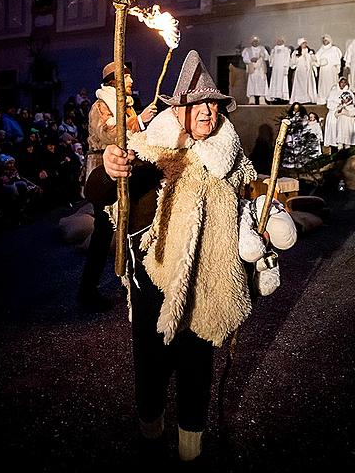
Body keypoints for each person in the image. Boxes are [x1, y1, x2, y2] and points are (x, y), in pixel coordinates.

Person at [85, 50, 260, 464]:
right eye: (197, 103)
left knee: (197, 370)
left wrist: (263, 225)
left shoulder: (229, 158)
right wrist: (109, 171)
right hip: (154, 288)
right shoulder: (152, 151)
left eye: (213, 103)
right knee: (151, 368)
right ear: (178, 108)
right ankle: (150, 440)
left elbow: (249, 202)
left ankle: (190, 450)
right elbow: (99, 192)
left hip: (207, 286)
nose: (207, 111)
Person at [78, 61, 157, 312]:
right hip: (104, 177)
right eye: (127, 76)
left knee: (129, 226)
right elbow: (110, 135)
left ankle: (128, 280)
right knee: (102, 233)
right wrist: (140, 121)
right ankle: (87, 291)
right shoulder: (101, 105)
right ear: (114, 81)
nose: (132, 80)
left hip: (126, 173)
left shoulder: (127, 105)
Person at [323, 77, 352, 152]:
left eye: (344, 82)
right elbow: (329, 104)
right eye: (341, 82)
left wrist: (344, 106)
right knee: (333, 133)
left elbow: (352, 102)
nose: (343, 84)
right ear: (339, 83)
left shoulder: (349, 92)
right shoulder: (333, 91)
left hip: (344, 115)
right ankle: (334, 151)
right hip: (333, 114)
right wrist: (338, 105)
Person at [315, 34, 342, 105]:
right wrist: (319, 63)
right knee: (323, 85)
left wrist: (337, 68)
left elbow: (337, 60)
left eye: (326, 40)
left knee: (331, 84)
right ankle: (323, 99)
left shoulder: (334, 49)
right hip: (323, 71)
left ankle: (332, 98)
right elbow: (316, 60)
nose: (324, 41)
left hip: (331, 71)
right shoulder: (320, 50)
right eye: (323, 40)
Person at [242, 35, 270, 104]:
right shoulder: (247, 50)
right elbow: (245, 59)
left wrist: (262, 56)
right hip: (252, 69)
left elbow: (267, 57)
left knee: (262, 83)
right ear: (251, 42)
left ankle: (262, 99)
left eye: (256, 41)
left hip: (261, 69)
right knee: (252, 83)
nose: (255, 42)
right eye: (254, 41)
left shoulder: (262, 49)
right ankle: (252, 99)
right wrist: (250, 60)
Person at [289, 38, 317, 105]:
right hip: (300, 72)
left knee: (308, 85)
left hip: (308, 72)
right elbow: (293, 63)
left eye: (305, 43)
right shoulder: (296, 52)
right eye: (303, 43)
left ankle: (309, 98)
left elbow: (314, 61)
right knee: (300, 85)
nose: (304, 44)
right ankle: (299, 99)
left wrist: (311, 56)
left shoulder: (309, 52)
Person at [266, 37, 290, 103]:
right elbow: (271, 59)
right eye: (278, 40)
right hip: (275, 68)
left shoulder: (285, 49)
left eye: (280, 40)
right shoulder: (274, 49)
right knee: (275, 81)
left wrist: (286, 68)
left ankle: (282, 96)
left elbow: (287, 59)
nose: (279, 42)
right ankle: (274, 96)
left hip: (282, 68)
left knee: (282, 81)